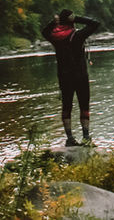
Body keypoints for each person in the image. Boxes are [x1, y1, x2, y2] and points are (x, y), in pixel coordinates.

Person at [41, 9, 100, 146]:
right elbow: (95, 23)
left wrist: (53, 23)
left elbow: (44, 32)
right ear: (71, 21)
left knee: (66, 106)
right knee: (84, 106)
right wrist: (76, 18)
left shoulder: (55, 38)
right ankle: (86, 137)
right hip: (80, 76)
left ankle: (70, 139)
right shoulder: (78, 35)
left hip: (64, 77)